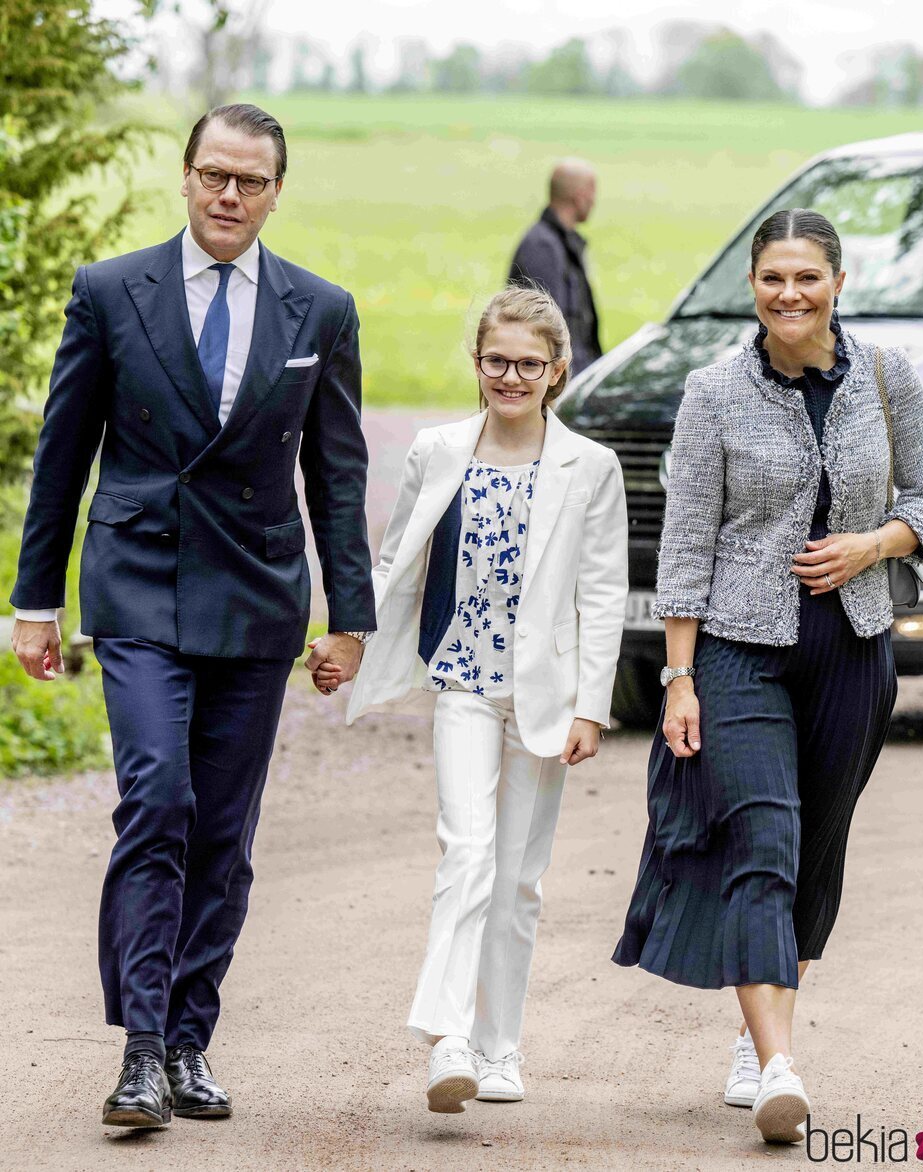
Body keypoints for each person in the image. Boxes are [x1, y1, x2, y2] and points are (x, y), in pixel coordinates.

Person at [9, 103, 376, 1129]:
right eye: (213, 174)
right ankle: (136, 1050)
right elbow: (63, 454)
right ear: (184, 176)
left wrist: (348, 615)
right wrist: (35, 601)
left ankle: (187, 1038)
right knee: (157, 798)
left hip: (258, 594)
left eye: (250, 181)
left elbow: (338, 477)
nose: (228, 195)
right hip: (136, 580)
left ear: (274, 192)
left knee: (223, 829)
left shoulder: (320, 309)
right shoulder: (109, 290)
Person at [612, 209, 923, 1144]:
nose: (790, 294)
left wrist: (871, 546)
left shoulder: (886, 377)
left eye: (807, 277)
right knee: (762, 834)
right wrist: (678, 679)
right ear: (753, 286)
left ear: (837, 282)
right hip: (738, 649)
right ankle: (775, 1065)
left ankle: (761, 1016)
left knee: (816, 847)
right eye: (773, 279)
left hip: (854, 644)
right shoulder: (714, 391)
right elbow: (684, 546)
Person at [340, 287, 628, 1113]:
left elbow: (604, 592)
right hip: (462, 682)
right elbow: (395, 566)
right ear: (476, 363)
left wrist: (591, 707)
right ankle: (449, 1040)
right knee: (464, 851)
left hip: (543, 696)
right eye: (497, 360)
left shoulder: (589, 467)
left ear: (556, 371)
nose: (511, 376)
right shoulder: (438, 451)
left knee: (518, 879)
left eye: (528, 364)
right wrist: (352, 646)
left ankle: (501, 1049)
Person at [508, 159, 602, 376]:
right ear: (579, 196)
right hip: (560, 381)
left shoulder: (561, 244)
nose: (594, 201)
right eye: (592, 192)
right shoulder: (542, 247)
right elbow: (547, 328)